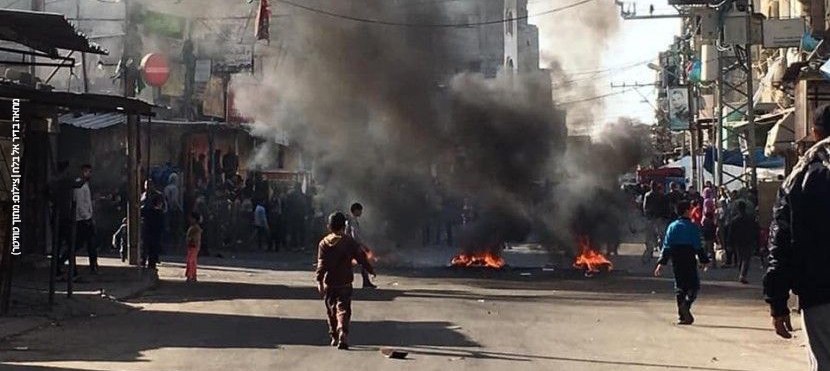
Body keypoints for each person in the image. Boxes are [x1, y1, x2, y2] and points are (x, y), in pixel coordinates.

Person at [764, 103, 830, 370]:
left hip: (819, 296)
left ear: (815, 133)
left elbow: (780, 243)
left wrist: (777, 303)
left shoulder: (799, 178)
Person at [315, 212, 376, 350]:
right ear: (344, 226)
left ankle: (334, 336)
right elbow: (361, 257)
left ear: (328, 226)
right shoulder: (349, 241)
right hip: (345, 281)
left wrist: (319, 281)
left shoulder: (323, 243)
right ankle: (342, 330)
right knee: (343, 308)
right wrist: (370, 269)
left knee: (331, 309)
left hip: (330, 282)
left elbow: (321, 264)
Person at [654, 201, 711, 325]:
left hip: (676, 258)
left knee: (679, 286)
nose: (691, 212)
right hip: (689, 257)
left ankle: (682, 316)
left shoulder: (672, 226)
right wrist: (704, 260)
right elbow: (698, 246)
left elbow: (666, 246)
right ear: (686, 211)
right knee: (693, 285)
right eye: (690, 210)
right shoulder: (692, 227)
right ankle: (687, 303)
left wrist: (661, 263)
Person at [725, 201, 759, 284]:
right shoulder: (750, 219)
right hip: (748, 240)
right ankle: (743, 274)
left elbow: (731, 233)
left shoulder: (735, 220)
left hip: (738, 241)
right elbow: (755, 230)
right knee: (746, 258)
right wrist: (756, 240)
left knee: (741, 257)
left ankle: (741, 273)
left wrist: (729, 243)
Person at [345, 203, 376, 289]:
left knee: (351, 264)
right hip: (353, 246)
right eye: (360, 210)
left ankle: (364, 281)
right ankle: (365, 281)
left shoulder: (349, 220)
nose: (361, 212)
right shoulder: (353, 221)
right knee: (363, 261)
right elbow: (355, 235)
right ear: (355, 210)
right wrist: (362, 245)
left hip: (349, 245)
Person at [74, 164, 98, 273]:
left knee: (91, 243)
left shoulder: (85, 184)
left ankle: (93, 266)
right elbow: (79, 204)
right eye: (87, 171)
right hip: (82, 220)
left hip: (87, 218)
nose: (89, 174)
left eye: (90, 172)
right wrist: (86, 217)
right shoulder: (80, 185)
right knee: (79, 243)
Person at [642, 181, 670, 261]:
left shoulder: (647, 195)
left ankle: (650, 251)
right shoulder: (662, 196)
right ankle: (662, 252)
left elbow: (645, 207)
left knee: (650, 236)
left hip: (651, 218)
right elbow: (666, 208)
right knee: (661, 236)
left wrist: (647, 216)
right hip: (660, 218)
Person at [141, 195, 165, 269]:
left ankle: (144, 261)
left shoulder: (148, 211)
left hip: (148, 232)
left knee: (147, 248)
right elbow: (162, 225)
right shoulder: (160, 213)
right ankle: (151, 263)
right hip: (155, 234)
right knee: (153, 250)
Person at [185, 211, 203, 282]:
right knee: (193, 261)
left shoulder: (195, 228)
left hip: (193, 246)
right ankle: (193, 275)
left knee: (190, 261)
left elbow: (195, 238)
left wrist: (191, 241)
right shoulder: (194, 228)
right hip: (193, 246)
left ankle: (190, 275)